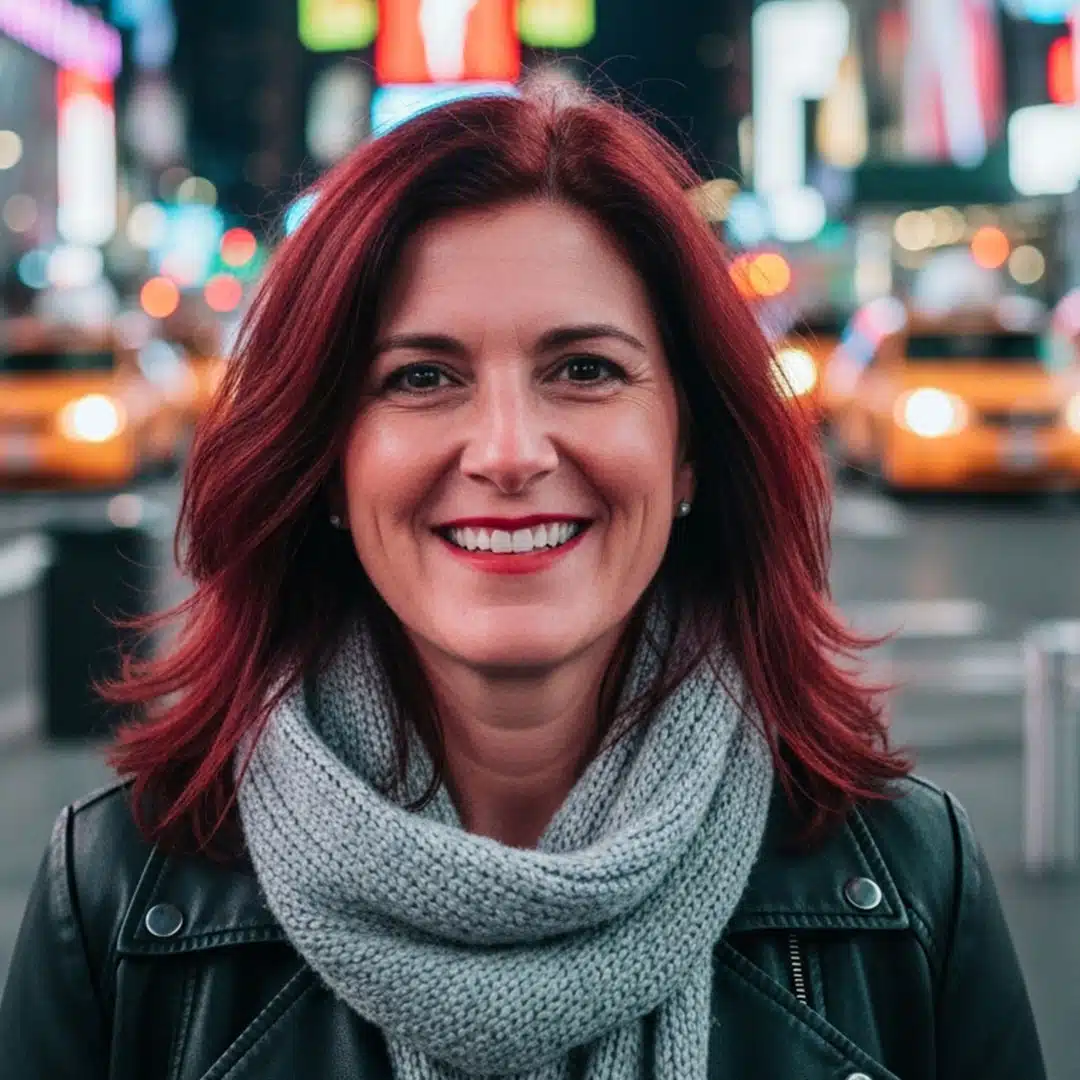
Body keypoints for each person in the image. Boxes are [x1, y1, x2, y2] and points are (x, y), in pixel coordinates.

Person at [0, 89, 1045, 1080]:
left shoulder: (910, 880)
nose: (508, 452)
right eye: (421, 377)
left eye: (584, 369)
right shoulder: (115, 898)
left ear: (688, 447)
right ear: (328, 462)